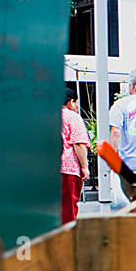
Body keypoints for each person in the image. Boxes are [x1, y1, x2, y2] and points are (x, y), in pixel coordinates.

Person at [60, 86, 90, 224]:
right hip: (67, 169)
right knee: (68, 211)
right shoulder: (73, 117)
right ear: (71, 102)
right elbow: (78, 143)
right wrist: (84, 167)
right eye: (76, 102)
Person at [109, 70, 136, 175]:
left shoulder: (120, 105)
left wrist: (111, 160)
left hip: (127, 165)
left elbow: (115, 132)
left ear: (132, 86)